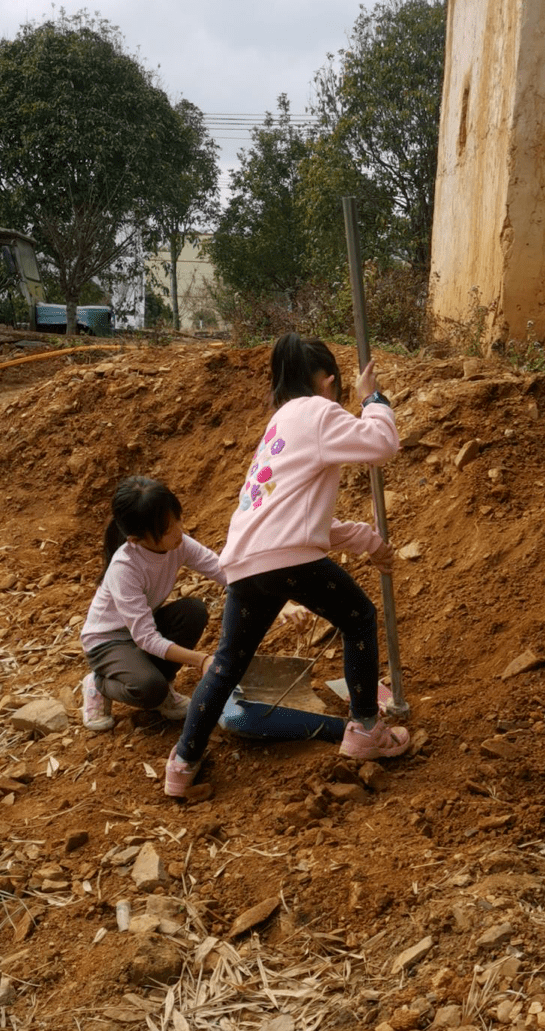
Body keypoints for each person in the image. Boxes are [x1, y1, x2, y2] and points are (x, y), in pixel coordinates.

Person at [164, 332, 410, 797]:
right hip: (284, 559)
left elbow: (299, 519)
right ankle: (365, 731)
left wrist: (367, 541)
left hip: (246, 561)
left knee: (226, 665)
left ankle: (182, 764)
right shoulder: (319, 411)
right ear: (329, 382)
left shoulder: (280, 422)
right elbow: (382, 444)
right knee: (359, 618)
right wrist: (373, 400)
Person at [80, 475, 226, 732]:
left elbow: (223, 570)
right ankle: (99, 683)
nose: (179, 531)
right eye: (167, 529)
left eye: (177, 520)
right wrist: (202, 660)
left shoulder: (177, 544)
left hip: (138, 634)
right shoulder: (125, 568)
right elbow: (146, 638)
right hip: (108, 641)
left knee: (193, 611)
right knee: (149, 690)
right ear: (136, 539)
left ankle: (163, 682)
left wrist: (281, 602)